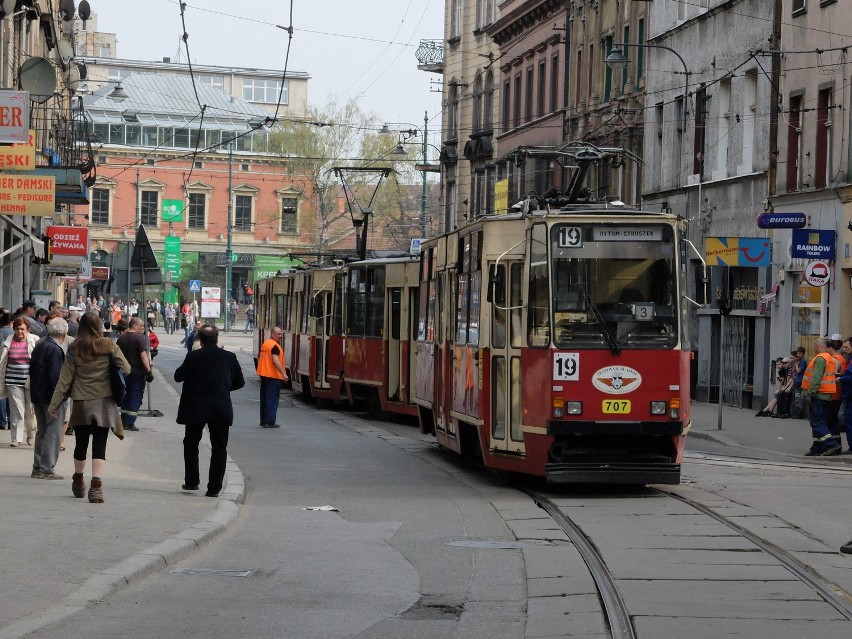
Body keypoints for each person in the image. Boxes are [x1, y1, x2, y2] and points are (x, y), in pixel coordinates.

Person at [48, 312, 131, 503]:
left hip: (81, 402)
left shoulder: (74, 348)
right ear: (99, 325)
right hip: (104, 402)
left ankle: (78, 480)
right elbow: (126, 369)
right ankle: (96, 487)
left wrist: (54, 405)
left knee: (81, 443)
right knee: (100, 444)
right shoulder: (109, 345)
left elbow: (64, 380)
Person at [174, 324, 245, 497]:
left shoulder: (193, 357)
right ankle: (214, 489)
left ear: (200, 339)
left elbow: (178, 376)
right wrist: (224, 388)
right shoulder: (229, 357)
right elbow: (240, 382)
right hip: (221, 407)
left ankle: (192, 482)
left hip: (196, 407)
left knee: (191, 443)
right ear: (217, 338)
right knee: (219, 448)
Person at [29, 317, 69, 479]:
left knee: (42, 432)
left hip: (37, 394)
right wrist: (56, 402)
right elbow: (55, 378)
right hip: (50, 398)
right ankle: (46, 468)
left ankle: (38, 466)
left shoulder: (40, 345)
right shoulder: (55, 349)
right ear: (64, 333)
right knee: (53, 433)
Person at [0, 317, 39, 447]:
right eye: (17, 329)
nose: (19, 331)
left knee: (30, 408)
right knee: (17, 409)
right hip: (12, 380)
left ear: (28, 329)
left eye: (22, 329)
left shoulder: (35, 340)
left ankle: (30, 434)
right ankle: (16, 438)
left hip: (30, 380)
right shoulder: (7, 342)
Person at [802, 337, 843, 456]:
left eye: (814, 346)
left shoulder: (820, 358)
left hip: (818, 395)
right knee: (821, 422)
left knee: (817, 422)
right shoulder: (830, 358)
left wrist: (810, 393)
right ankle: (817, 448)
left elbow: (816, 378)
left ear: (817, 347)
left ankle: (831, 444)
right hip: (826, 394)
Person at [116, 317, 154, 432]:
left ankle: (123, 421)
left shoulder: (121, 338)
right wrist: (149, 372)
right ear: (135, 326)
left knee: (126, 395)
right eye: (141, 326)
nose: (142, 328)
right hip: (137, 372)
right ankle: (130, 422)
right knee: (135, 396)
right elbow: (143, 356)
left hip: (123, 371)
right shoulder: (139, 338)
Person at [256, 326, 287, 428]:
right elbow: (275, 360)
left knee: (264, 398)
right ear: (272, 334)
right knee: (272, 399)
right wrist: (283, 374)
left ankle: (263, 421)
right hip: (273, 376)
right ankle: (269, 421)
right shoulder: (274, 346)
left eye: (281, 334)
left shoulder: (266, 343)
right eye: (278, 334)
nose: (280, 336)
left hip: (264, 375)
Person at [790, 347, 807, 418]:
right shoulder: (798, 361)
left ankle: (799, 413)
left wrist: (796, 364)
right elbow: (793, 371)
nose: (798, 355)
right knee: (795, 397)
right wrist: (795, 364)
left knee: (798, 398)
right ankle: (794, 412)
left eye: (800, 353)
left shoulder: (803, 361)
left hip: (800, 381)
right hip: (796, 380)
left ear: (803, 354)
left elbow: (799, 371)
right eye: (797, 353)